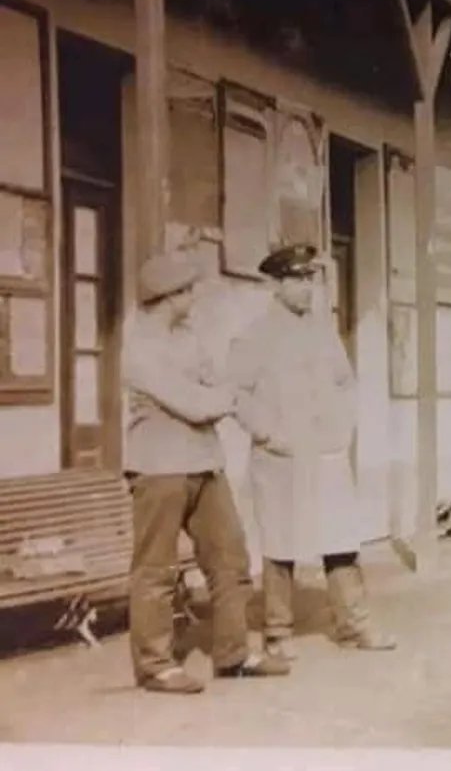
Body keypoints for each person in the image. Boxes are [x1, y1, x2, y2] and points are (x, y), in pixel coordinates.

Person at [123, 249, 290, 694]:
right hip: (159, 469)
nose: (194, 297)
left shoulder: (188, 338)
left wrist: (224, 396)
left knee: (231, 560)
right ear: (167, 296)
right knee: (156, 571)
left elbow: (215, 387)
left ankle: (233, 654)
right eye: (187, 290)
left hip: (204, 463)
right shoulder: (140, 347)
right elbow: (197, 403)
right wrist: (228, 399)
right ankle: (155, 666)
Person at [229, 243, 395, 661]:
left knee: (340, 539)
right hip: (280, 457)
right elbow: (237, 393)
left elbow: (345, 382)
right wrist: (266, 433)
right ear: (277, 285)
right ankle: (277, 633)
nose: (306, 289)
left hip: (325, 453)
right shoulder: (256, 336)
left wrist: (343, 427)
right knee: (280, 545)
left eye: (310, 281)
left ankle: (356, 624)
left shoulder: (323, 333)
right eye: (296, 281)